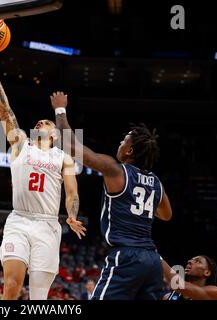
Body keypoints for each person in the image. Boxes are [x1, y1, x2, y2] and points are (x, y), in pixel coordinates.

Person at [0, 49, 86, 300]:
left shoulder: (63, 157)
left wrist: (71, 216)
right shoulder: (21, 144)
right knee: (11, 286)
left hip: (48, 225)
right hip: (19, 220)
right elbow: (3, 109)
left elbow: (72, 193)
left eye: (46, 122)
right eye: (38, 122)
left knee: (38, 297)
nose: (40, 123)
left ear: (54, 134)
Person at [50, 92, 172, 300]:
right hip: (152, 260)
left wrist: (60, 110)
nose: (120, 144)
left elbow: (69, 146)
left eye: (123, 141)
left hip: (127, 256)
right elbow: (166, 215)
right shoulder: (156, 182)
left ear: (129, 151)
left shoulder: (115, 170)